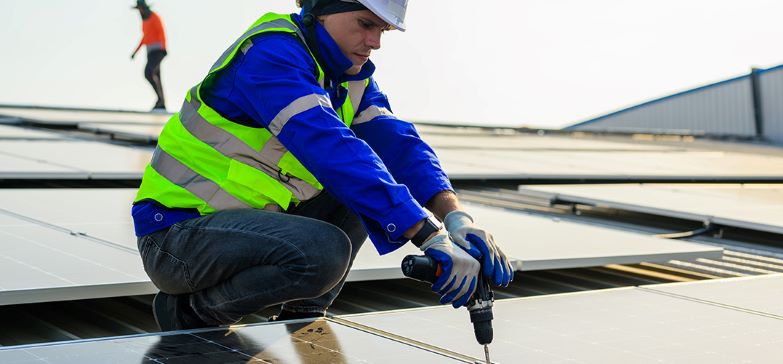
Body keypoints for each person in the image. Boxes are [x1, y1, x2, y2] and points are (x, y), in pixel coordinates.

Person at [132, 0, 514, 331]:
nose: (375, 42)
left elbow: (399, 146)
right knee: (326, 248)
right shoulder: (271, 55)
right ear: (320, 10)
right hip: (177, 238)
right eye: (366, 24)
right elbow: (330, 146)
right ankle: (189, 313)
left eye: (382, 30)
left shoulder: (350, 79)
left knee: (369, 181)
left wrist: (455, 217)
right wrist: (427, 234)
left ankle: (303, 314)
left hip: (246, 228)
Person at [130, 0, 168, 111]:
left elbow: (161, 32)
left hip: (158, 50)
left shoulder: (154, 17)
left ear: (145, 8)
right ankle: (161, 103)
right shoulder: (144, 21)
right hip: (150, 52)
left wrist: (163, 49)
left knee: (148, 72)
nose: (140, 11)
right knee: (157, 76)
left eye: (141, 8)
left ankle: (160, 100)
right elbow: (145, 38)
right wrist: (135, 52)